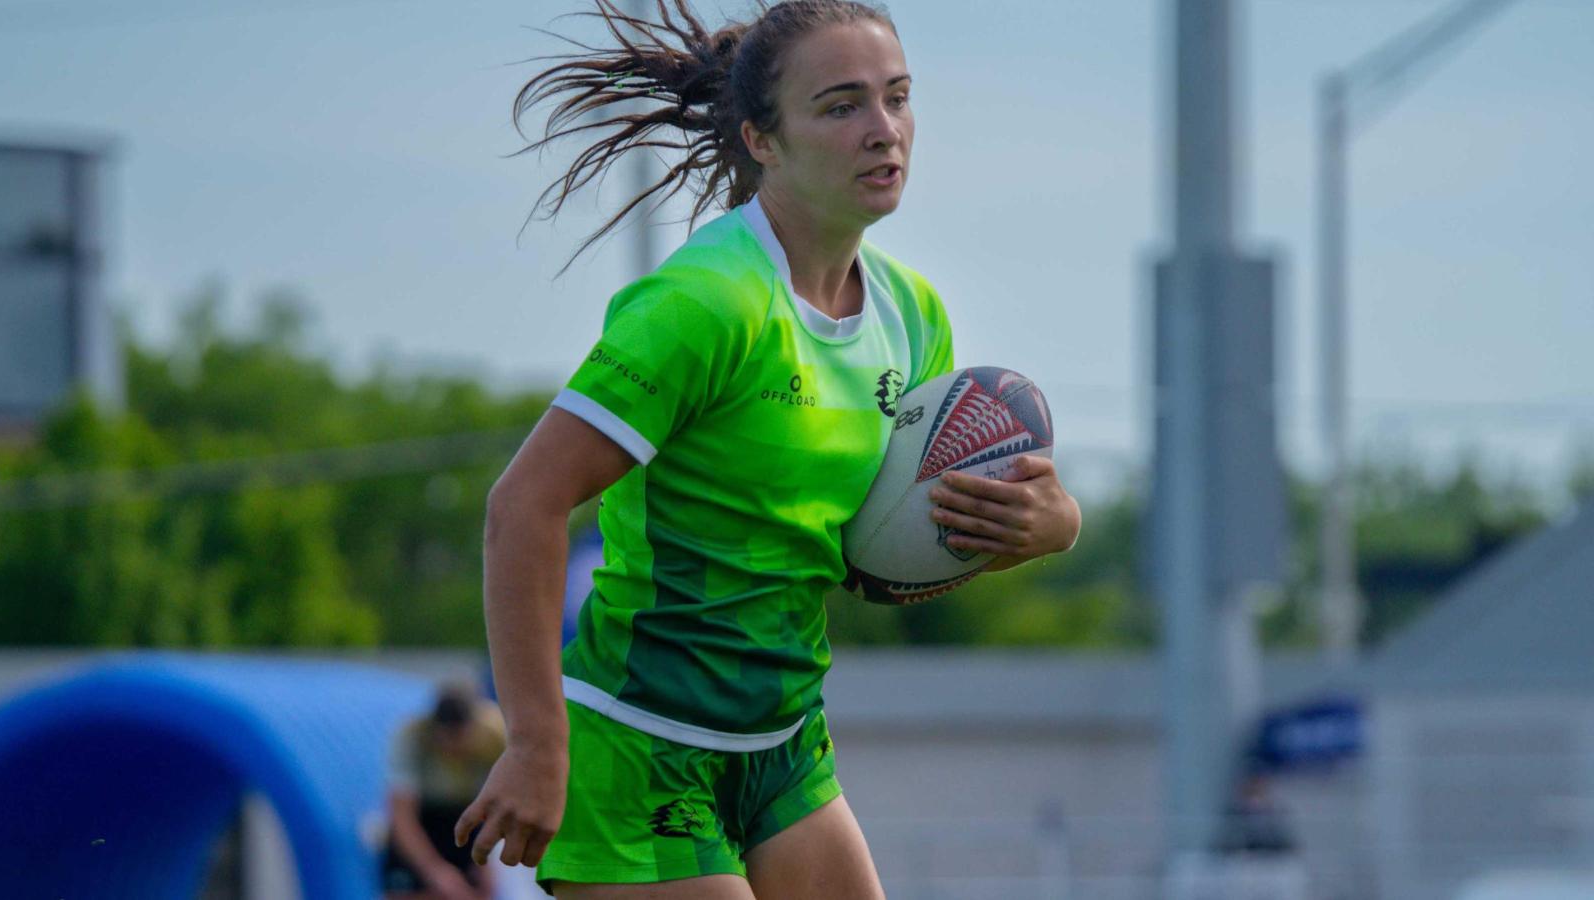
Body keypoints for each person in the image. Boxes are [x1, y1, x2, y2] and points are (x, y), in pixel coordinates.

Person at [454, 2, 1084, 897]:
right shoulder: (705, 305)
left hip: (784, 743)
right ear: (763, 140)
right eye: (841, 107)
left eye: (897, 99)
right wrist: (533, 740)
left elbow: (883, 557)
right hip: (640, 745)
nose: (883, 131)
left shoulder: (913, 317)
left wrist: (1047, 524)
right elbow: (523, 504)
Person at [385, 681, 505, 900]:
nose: (454, 751)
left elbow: (502, 803)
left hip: (469, 819)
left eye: (460, 741)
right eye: (447, 742)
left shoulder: (496, 734)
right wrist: (434, 871)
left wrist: (488, 859)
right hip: (425, 818)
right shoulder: (410, 737)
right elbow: (402, 818)